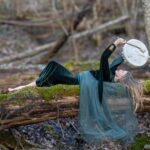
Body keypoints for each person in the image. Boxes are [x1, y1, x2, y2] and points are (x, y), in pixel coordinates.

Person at [8, 38, 143, 112]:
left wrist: (115, 43)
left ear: (120, 79)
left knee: (53, 68)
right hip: (77, 77)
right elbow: (115, 62)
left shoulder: (108, 77)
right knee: (51, 69)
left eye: (122, 72)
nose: (120, 70)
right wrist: (128, 55)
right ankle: (24, 87)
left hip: (75, 82)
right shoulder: (112, 74)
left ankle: (20, 89)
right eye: (121, 69)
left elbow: (104, 58)